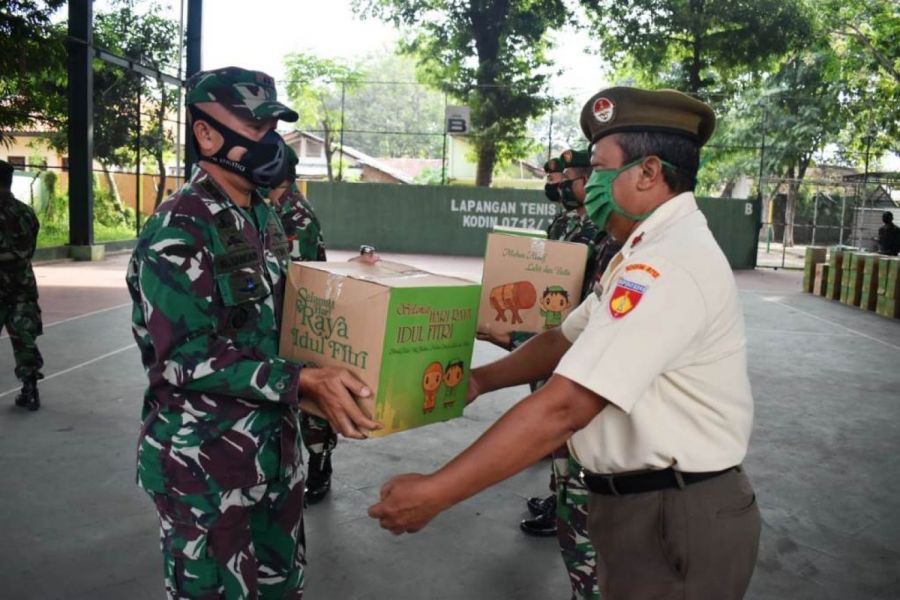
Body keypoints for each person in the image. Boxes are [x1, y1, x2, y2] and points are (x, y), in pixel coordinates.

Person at [370, 87, 761, 600]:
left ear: (648, 172)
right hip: (643, 505)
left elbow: (565, 407)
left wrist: (437, 491)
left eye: (599, 169)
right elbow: (561, 338)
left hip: (674, 513)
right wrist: (480, 381)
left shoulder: (665, 265)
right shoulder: (643, 249)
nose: (588, 184)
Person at [127, 66, 380, 599]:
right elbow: (184, 356)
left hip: (273, 458)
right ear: (207, 134)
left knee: (282, 589)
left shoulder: (262, 217)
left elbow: (285, 316)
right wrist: (302, 381)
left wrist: (363, 288)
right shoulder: (181, 224)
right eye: (257, 126)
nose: (273, 142)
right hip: (206, 470)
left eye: (273, 127)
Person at [266, 148, 338, 504]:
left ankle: (319, 463)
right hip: (280, 320)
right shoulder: (266, 207)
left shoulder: (295, 214)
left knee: (310, 398)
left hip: (301, 320)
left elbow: (300, 275)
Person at [0, 159, 43, 411]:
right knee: (24, 338)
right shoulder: (26, 213)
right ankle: (30, 389)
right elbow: (29, 250)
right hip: (21, 287)